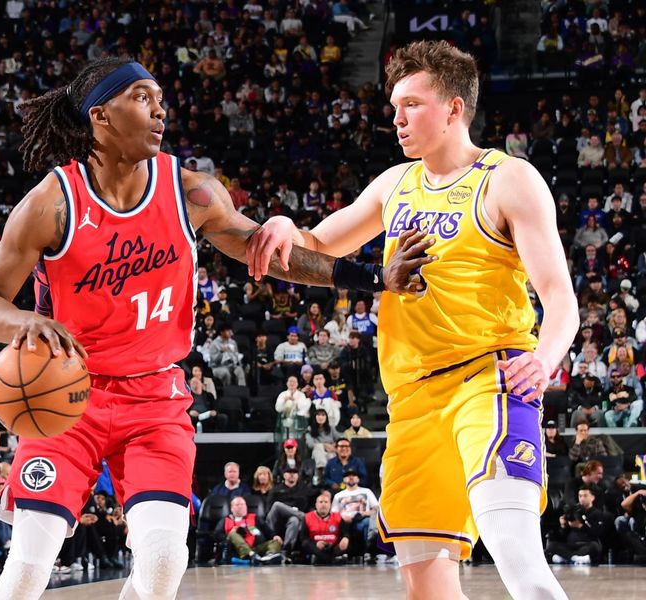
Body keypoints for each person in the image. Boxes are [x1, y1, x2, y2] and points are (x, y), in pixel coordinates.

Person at [0, 57, 419, 600]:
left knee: (162, 562)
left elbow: (275, 256)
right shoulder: (51, 203)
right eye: (140, 96)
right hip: (68, 395)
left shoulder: (191, 193)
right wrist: (26, 321)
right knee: (26, 570)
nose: (160, 108)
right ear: (100, 116)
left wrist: (374, 277)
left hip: (155, 395)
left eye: (159, 96)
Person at [248, 40, 578, 599]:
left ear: (453, 108)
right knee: (427, 590)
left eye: (412, 104)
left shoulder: (507, 179)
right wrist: (283, 224)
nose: (397, 119)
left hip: (488, 382)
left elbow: (560, 297)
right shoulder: (393, 184)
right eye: (394, 106)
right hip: (412, 403)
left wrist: (544, 361)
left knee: (520, 562)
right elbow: (315, 244)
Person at [545, 485, 607, 564]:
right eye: (580, 496)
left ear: (592, 498)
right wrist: (563, 526)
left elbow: (597, 533)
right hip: (571, 545)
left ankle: (567, 558)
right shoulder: (574, 511)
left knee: (594, 546)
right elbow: (563, 535)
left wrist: (581, 526)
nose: (582, 498)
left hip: (586, 544)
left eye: (585, 496)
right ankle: (575, 558)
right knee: (552, 545)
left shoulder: (597, 513)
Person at [214, 496, 282, 565]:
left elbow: (266, 529)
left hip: (256, 548)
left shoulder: (254, 517)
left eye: (243, 504)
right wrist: (231, 534)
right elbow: (217, 534)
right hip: (237, 550)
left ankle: (268, 557)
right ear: (232, 508)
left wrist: (274, 536)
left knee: (275, 542)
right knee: (232, 534)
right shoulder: (225, 520)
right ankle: (251, 555)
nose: (240, 506)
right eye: (237, 505)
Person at [331, 468, 379, 562]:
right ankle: (340, 552)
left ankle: (368, 552)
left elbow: (376, 508)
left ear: (358, 479)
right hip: (344, 522)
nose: (351, 477)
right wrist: (342, 517)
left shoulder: (366, 491)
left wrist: (365, 513)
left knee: (367, 522)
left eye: (354, 475)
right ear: (344, 480)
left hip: (361, 519)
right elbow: (334, 513)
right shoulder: (338, 495)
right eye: (348, 476)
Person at [301, 493, 348, 565]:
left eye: (326, 502)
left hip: (333, 547)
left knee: (347, 542)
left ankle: (322, 559)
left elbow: (346, 532)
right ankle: (332, 560)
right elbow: (303, 537)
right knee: (306, 544)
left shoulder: (338, 517)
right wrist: (316, 544)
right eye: (321, 502)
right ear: (316, 505)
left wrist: (345, 538)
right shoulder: (307, 517)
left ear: (330, 505)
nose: (323, 504)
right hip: (316, 547)